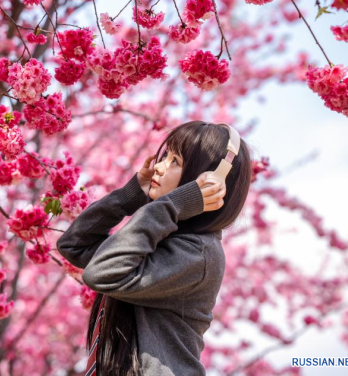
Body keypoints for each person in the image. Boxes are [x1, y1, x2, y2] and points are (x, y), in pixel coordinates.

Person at [57, 121, 252, 376]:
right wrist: (132, 194)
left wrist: (173, 204)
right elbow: (74, 245)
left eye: (175, 162)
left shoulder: (198, 254)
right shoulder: (160, 238)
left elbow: (101, 274)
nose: (158, 167)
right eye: (165, 156)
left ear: (210, 181)